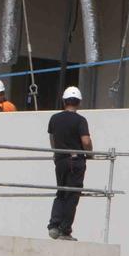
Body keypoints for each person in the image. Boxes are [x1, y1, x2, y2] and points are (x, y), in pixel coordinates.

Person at [47, 85, 93, 240]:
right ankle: (65, 230)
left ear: (64, 101)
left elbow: (52, 139)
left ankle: (54, 226)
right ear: (79, 102)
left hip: (60, 160)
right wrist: (90, 153)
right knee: (72, 195)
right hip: (75, 161)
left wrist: (56, 154)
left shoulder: (54, 118)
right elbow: (85, 141)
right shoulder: (80, 120)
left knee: (61, 192)